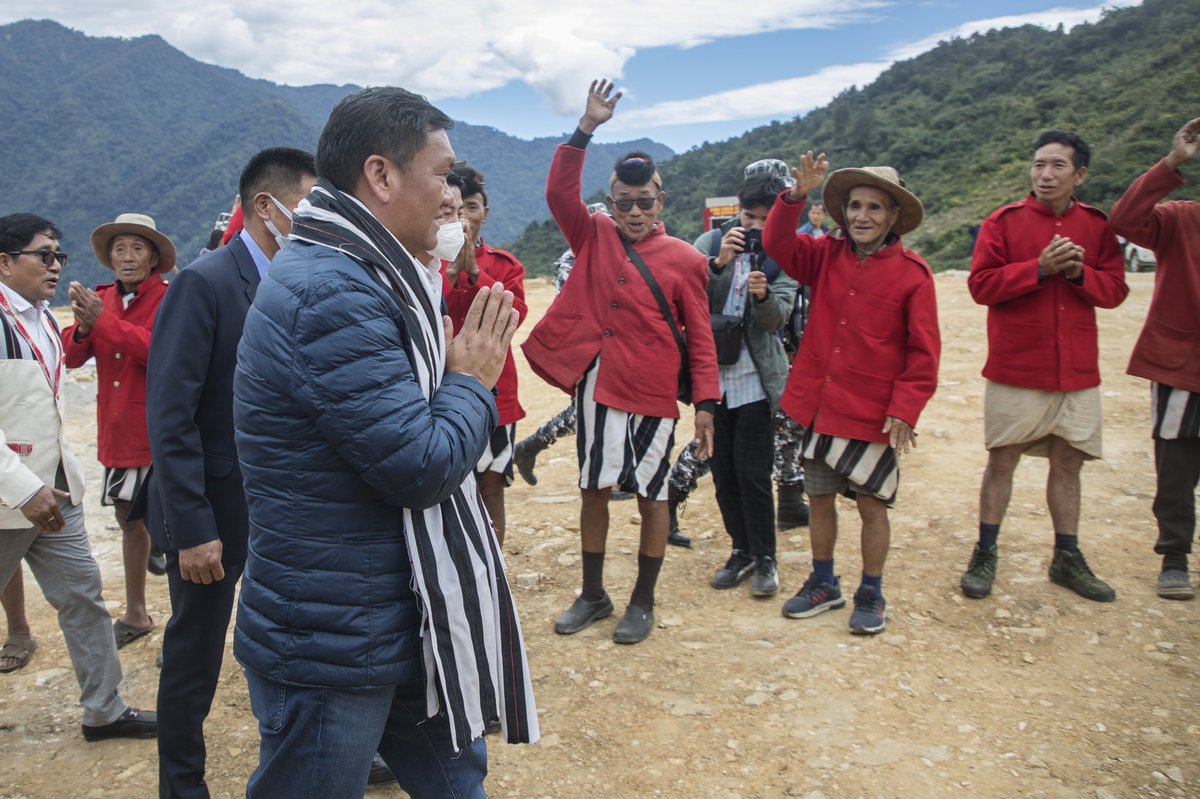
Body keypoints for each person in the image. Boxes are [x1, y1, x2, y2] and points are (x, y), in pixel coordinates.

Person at [233, 87, 538, 798]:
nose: (452, 196)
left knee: (456, 778)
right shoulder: (332, 291)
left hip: (395, 609)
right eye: (442, 174)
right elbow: (419, 467)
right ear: (382, 175)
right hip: (335, 636)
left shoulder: (369, 273)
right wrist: (471, 380)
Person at [142, 147, 317, 799]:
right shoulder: (207, 282)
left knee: (291, 642)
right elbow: (172, 414)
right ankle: (181, 786)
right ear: (266, 207)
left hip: (283, 507)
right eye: (310, 204)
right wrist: (191, 528)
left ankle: (312, 755)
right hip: (214, 512)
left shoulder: (307, 277)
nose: (320, 217)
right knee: (194, 656)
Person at [522, 79, 719, 645]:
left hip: (654, 395)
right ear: (611, 205)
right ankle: (593, 594)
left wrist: (706, 403)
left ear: (662, 202)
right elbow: (560, 193)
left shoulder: (685, 260)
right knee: (594, 489)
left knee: (655, 494)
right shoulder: (592, 235)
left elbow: (701, 339)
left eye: (645, 201)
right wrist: (585, 128)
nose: (634, 211)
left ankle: (642, 600)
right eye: (623, 202)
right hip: (597, 386)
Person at [763, 153, 940, 635]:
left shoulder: (913, 275)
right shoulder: (824, 256)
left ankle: (872, 590)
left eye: (875, 208)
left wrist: (906, 409)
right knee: (819, 499)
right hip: (819, 407)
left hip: (871, 413)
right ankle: (824, 582)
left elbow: (924, 355)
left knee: (871, 505)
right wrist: (796, 196)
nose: (862, 216)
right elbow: (777, 241)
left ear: (893, 217)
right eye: (856, 206)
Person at [0, 213, 157, 741]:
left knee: (83, 595)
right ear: (4, 262)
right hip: (12, 495)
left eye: (58, 256)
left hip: (54, 490)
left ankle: (104, 710)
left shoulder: (41, 317)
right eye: (42, 255)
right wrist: (23, 487)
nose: (54, 266)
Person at [961, 130, 1128, 603]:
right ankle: (985, 552)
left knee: (1069, 463)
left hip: (1075, 371)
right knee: (1002, 461)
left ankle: (1066, 558)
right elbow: (981, 286)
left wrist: (1077, 273)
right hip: (1017, 367)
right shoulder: (1003, 222)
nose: (1045, 174)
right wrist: (1037, 268)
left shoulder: (1096, 226)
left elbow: (1115, 292)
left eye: (1057, 165)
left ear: (1080, 174)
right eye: (1038, 164)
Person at [62, 213, 175, 650]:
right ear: (109, 258)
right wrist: (86, 325)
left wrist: (101, 322)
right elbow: (73, 358)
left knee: (174, 526)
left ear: (152, 258)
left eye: (136, 248)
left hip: (156, 432)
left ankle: (171, 616)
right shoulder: (102, 297)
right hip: (117, 432)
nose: (127, 256)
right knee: (128, 521)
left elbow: (159, 351)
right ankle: (136, 611)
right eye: (120, 249)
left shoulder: (167, 298)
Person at [691, 170, 798, 596]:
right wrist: (719, 267)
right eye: (748, 216)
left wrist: (762, 295)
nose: (753, 227)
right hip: (711, 381)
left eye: (763, 219)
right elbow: (688, 298)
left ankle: (766, 556)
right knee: (722, 473)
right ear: (737, 210)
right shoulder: (711, 245)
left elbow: (778, 320)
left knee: (753, 473)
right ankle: (741, 550)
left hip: (755, 380)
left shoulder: (784, 255)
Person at [1108, 116, 1200, 600]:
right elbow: (1124, 221)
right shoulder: (1182, 219)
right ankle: (1175, 557)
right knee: (1177, 468)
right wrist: (1172, 162)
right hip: (1182, 365)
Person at [442, 164, 527, 546]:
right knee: (451, 486)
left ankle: (494, 564)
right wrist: (453, 268)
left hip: (498, 395)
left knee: (492, 484)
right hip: (442, 389)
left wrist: (473, 270)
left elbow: (513, 317)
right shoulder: (430, 265)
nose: (465, 218)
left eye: (472, 208)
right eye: (457, 211)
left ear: (484, 214)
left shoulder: (506, 266)